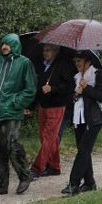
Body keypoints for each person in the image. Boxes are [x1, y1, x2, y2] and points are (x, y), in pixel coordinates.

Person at [0, 33, 36, 197]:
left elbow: (30, 89)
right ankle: (0, 185)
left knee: (12, 145)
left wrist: (16, 103)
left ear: (15, 46)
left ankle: (25, 176)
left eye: (8, 44)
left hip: (12, 112)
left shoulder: (24, 63)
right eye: (3, 44)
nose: (4, 47)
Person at [61, 50, 102, 195]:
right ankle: (89, 183)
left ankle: (73, 184)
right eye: (75, 61)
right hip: (78, 119)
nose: (77, 64)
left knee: (83, 150)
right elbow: (69, 99)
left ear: (88, 61)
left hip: (93, 119)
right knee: (83, 150)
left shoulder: (97, 74)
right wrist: (76, 92)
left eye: (79, 61)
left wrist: (86, 88)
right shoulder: (75, 77)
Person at [30, 44, 75, 177]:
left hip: (57, 105)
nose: (45, 53)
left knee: (49, 136)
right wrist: (31, 106)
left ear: (56, 51)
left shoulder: (63, 65)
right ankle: (54, 167)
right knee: (47, 137)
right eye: (44, 50)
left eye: (48, 50)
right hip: (43, 105)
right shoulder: (42, 65)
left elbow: (69, 86)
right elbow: (38, 87)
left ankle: (37, 168)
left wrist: (53, 89)